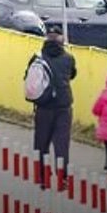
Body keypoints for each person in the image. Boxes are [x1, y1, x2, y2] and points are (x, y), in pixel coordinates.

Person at [34, 23, 76, 189]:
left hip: (44, 106)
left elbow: (29, 78)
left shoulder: (38, 57)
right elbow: (72, 74)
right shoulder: (68, 58)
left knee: (41, 142)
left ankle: (43, 178)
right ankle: (62, 178)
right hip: (63, 107)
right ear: (61, 40)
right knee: (61, 144)